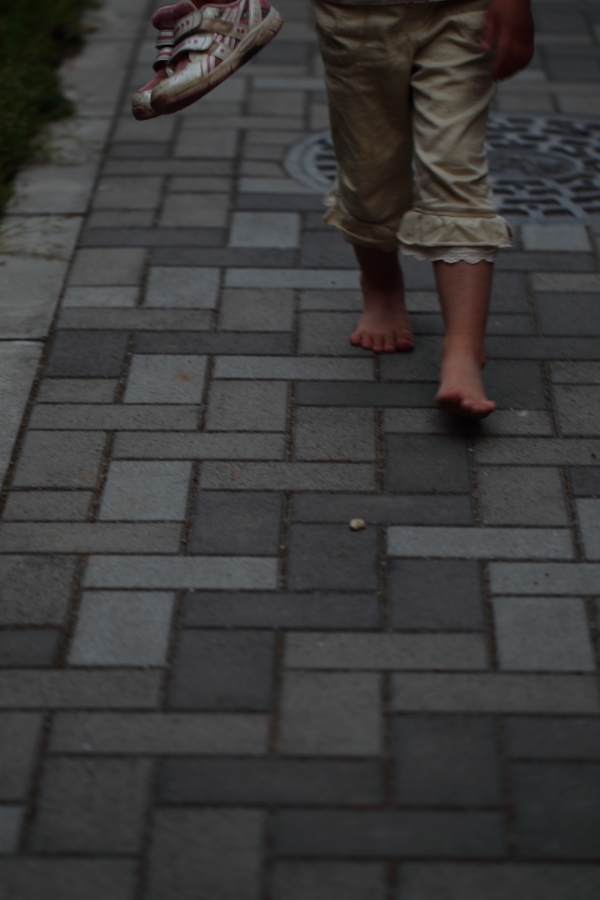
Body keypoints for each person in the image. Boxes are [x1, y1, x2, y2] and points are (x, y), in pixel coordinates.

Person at [314, 0, 534, 418]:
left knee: (456, 170)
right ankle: (380, 287)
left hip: (462, 10)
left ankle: (463, 351)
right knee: (369, 173)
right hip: (355, 19)